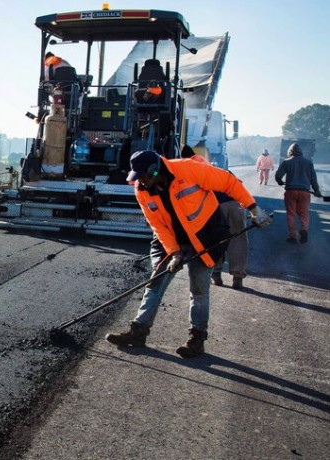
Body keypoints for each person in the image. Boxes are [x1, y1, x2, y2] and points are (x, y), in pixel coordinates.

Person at [106, 150, 271, 358]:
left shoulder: (188, 169)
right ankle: (138, 332)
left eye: (143, 177)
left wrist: (254, 208)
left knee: (199, 288)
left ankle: (197, 339)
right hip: (172, 238)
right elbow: (157, 225)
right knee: (156, 282)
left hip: (205, 234)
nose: (140, 182)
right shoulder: (141, 189)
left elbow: (229, 182)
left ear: (155, 170)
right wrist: (174, 253)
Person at [182, 145, 249, 289]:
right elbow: (239, 187)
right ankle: (238, 277)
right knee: (238, 240)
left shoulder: (195, 172)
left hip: (217, 207)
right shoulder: (222, 170)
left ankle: (216, 275)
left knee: (217, 240)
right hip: (235, 204)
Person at [275, 143, 322, 243]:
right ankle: (304, 229)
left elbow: (278, 176)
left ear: (290, 152)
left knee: (291, 213)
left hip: (291, 191)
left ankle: (293, 236)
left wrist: (280, 181)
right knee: (304, 213)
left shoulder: (286, 162)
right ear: (301, 152)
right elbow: (313, 179)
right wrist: (316, 190)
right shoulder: (308, 162)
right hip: (304, 192)